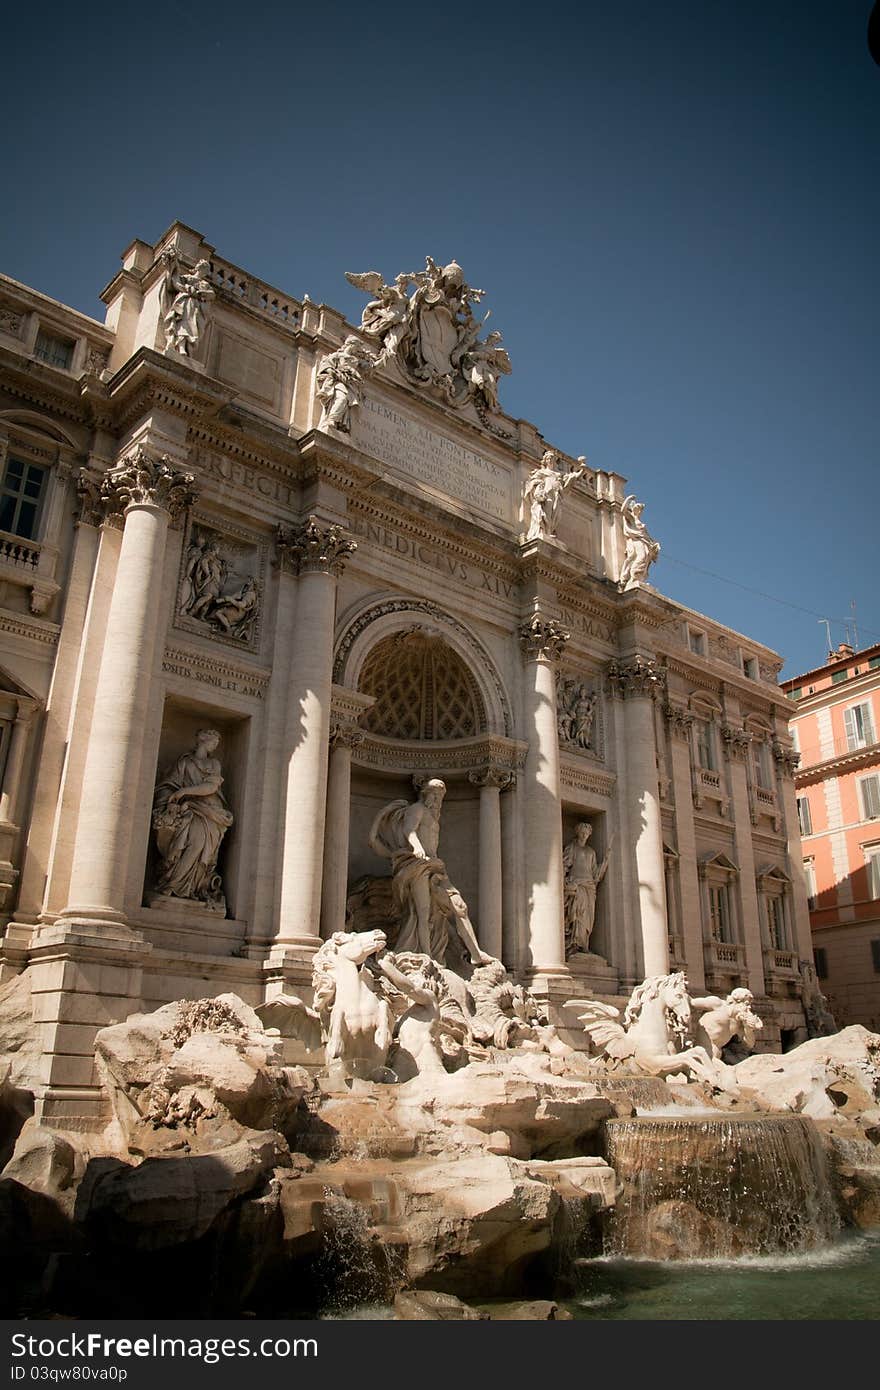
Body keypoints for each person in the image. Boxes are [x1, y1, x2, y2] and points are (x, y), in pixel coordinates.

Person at [369, 778, 491, 966]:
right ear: (425, 794)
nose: (437, 800)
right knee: (422, 912)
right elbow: (409, 830)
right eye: (434, 795)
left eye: (440, 796)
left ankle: (476, 953)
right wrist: (417, 848)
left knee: (460, 907)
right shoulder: (417, 809)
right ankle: (427, 958)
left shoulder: (433, 816)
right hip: (417, 864)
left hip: (435, 865)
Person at [152, 729, 234, 905]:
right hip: (187, 810)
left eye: (217, 743)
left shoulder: (214, 764)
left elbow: (211, 788)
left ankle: (181, 886)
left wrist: (184, 791)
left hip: (209, 812)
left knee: (198, 845)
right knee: (182, 846)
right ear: (203, 741)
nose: (215, 746)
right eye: (213, 742)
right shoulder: (183, 762)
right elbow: (168, 784)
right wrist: (171, 799)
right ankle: (174, 884)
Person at [562, 822, 612, 956]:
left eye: (587, 833)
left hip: (589, 887)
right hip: (577, 885)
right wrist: (564, 881)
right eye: (582, 832)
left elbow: (595, 874)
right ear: (577, 832)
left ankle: (583, 944)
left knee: (587, 917)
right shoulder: (572, 847)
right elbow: (564, 865)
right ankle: (574, 944)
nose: (584, 835)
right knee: (577, 914)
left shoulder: (591, 852)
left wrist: (605, 861)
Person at [524, 450, 586, 540]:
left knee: (556, 514)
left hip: (556, 496)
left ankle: (549, 531)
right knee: (546, 513)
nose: (550, 460)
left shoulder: (558, 474)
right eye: (549, 458)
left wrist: (582, 470)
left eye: (552, 458)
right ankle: (546, 532)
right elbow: (532, 481)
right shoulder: (542, 472)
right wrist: (540, 486)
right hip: (546, 495)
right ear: (545, 460)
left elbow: (572, 477)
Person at [163, 258, 215, 357]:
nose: (205, 272)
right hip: (185, 303)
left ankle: (188, 348)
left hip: (197, 307)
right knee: (183, 324)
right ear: (198, 268)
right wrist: (173, 266)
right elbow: (176, 282)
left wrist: (202, 293)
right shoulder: (188, 278)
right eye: (204, 269)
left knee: (194, 327)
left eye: (206, 270)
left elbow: (212, 295)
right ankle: (181, 347)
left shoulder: (205, 284)